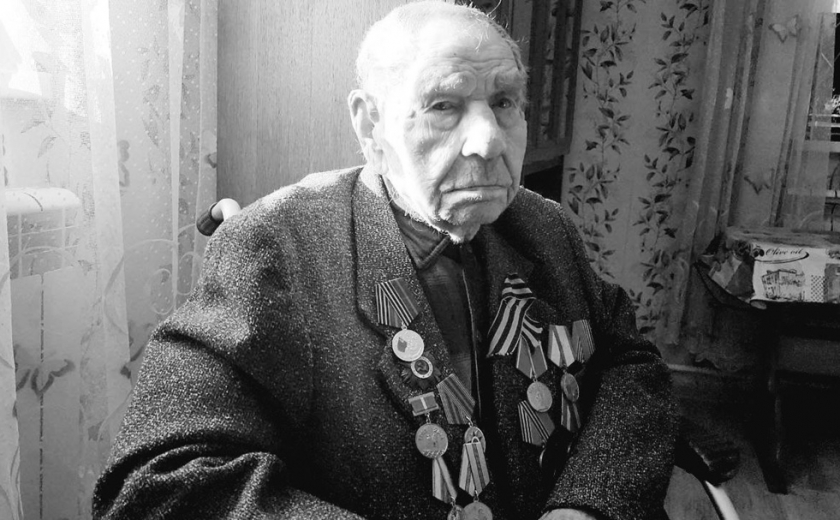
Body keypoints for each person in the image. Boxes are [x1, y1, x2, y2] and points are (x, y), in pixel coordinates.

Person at [93, 2, 678, 519]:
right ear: (371, 124)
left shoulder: (544, 226)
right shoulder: (274, 248)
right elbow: (159, 484)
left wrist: (588, 503)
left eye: (504, 102)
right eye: (444, 105)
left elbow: (629, 363)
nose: (489, 140)